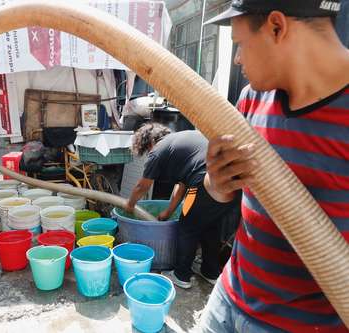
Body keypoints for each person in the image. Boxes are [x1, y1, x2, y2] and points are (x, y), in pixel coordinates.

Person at [199, 1, 349, 332]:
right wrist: (218, 182)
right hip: (228, 297)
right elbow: (223, 193)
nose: (238, 59)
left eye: (240, 44)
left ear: (276, 27)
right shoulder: (253, 98)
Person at [126, 123, 238, 289]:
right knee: (211, 228)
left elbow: (142, 186)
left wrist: (130, 204)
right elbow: (182, 185)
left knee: (187, 227)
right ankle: (211, 272)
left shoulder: (158, 150)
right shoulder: (182, 140)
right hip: (233, 183)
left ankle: (181, 275)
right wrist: (168, 211)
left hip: (204, 183)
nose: (149, 153)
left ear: (149, 142)